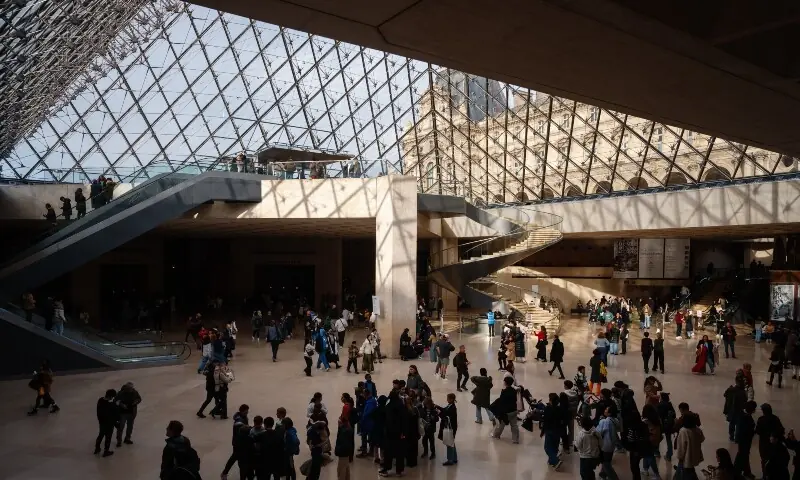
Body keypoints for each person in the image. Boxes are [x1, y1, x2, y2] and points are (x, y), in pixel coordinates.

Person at [490, 376, 520, 444]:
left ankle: (496, 435)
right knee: (514, 425)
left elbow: (502, 402)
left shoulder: (504, 391)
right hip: (514, 410)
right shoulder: (514, 391)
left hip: (506, 412)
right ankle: (515, 439)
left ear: (505, 383)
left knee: (501, 424)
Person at [756, 403, 784, 475]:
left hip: (764, 443)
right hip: (774, 443)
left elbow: (758, 431)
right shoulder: (775, 419)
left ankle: (765, 475)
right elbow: (781, 430)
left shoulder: (761, 419)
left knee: (764, 460)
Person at [675, 412, 705, 480]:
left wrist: (680, 457)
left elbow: (682, 447)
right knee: (690, 470)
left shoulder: (683, 431)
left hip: (686, 456)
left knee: (683, 472)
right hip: (695, 454)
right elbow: (702, 439)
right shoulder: (697, 429)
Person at [734, 400, 756, 479]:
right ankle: (737, 472)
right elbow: (744, 430)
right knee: (742, 455)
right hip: (744, 440)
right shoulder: (744, 417)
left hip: (745, 440)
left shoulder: (744, 415)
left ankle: (746, 471)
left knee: (744, 455)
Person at [596, 406, 620, 480]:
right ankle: (603, 473)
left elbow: (599, 432)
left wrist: (601, 422)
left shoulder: (605, 421)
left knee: (605, 463)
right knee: (607, 460)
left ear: (609, 413)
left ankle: (614, 477)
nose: (605, 410)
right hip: (612, 444)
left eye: (606, 409)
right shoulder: (615, 420)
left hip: (605, 444)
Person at [115, 382, 141, 447]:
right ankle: (119, 441)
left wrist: (136, 402)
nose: (130, 390)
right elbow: (116, 401)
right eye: (129, 389)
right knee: (121, 427)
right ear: (126, 388)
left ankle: (127, 438)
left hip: (132, 413)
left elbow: (139, 399)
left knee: (130, 427)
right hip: (123, 413)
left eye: (131, 389)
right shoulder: (120, 393)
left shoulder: (134, 392)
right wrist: (121, 404)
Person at [543, 393, 564, 470]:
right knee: (554, 446)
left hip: (550, 430)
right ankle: (551, 461)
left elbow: (545, 420)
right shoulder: (560, 409)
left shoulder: (548, 409)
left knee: (547, 447)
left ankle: (556, 461)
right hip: (558, 430)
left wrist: (542, 431)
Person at [95, 389, 118, 457]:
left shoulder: (100, 400)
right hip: (109, 424)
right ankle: (106, 451)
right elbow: (112, 415)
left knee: (100, 435)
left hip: (101, 422)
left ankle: (97, 448)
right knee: (108, 437)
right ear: (111, 396)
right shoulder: (111, 405)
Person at [437, 393, 458, 466]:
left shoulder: (452, 408)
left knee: (449, 444)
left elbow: (445, 416)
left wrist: (438, 413)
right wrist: (438, 407)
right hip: (450, 427)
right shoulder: (450, 406)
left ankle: (450, 460)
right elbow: (445, 410)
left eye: (448, 398)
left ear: (451, 399)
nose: (447, 399)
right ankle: (454, 458)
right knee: (452, 443)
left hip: (450, 428)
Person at [335, 413, 355, 480]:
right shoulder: (348, 429)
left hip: (343, 453)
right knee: (346, 469)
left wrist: (338, 451)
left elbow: (342, 443)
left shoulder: (344, 432)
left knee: (341, 471)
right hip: (346, 453)